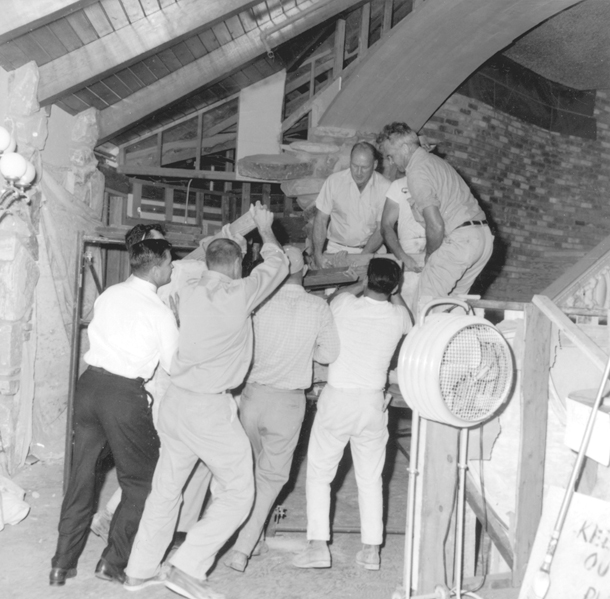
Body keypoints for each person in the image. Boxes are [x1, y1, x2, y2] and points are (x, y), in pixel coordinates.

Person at [124, 202, 289, 598]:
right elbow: (278, 264)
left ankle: (139, 570)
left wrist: (230, 236)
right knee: (238, 492)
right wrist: (265, 229)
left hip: (175, 403)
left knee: (166, 490)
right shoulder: (241, 293)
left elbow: (210, 255)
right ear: (236, 267)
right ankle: (187, 565)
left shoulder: (185, 285)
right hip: (208, 408)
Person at [50, 239, 179, 586]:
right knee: (141, 481)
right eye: (169, 263)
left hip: (89, 386)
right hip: (123, 395)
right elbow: (173, 365)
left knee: (82, 477)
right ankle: (113, 561)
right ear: (155, 268)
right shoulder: (160, 312)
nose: (172, 268)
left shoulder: (109, 295)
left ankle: (61, 564)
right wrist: (179, 326)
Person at [223, 245, 340, 573]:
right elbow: (329, 353)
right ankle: (243, 547)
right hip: (287, 404)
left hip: (251, 398)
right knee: (272, 478)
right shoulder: (317, 307)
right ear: (303, 271)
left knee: (252, 471)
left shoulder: (259, 302)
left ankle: (255, 536)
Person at [293, 258, 411, 571]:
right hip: (373, 403)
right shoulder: (400, 316)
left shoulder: (344, 304)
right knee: (371, 479)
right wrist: (394, 291)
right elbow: (407, 317)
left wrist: (359, 282)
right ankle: (371, 551)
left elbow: (330, 302)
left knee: (320, 474)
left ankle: (318, 546)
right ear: (396, 286)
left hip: (338, 398)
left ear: (368, 278)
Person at [377, 122, 494, 314]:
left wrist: (430, 257)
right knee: (454, 306)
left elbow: (436, 226)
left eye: (391, 155)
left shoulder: (417, 171)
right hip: (482, 239)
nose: (390, 162)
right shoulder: (437, 163)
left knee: (424, 308)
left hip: (461, 242)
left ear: (405, 148)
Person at [312, 142, 391, 269]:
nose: (358, 172)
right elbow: (320, 220)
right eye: (354, 166)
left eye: (364, 167)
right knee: (333, 289)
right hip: (336, 249)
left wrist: (363, 257)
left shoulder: (386, 187)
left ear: (375, 165)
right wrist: (317, 254)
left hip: (371, 251)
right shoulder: (334, 182)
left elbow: (382, 229)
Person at [380, 176, 427, 312]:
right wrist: (402, 256)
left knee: (428, 311)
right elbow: (386, 226)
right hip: (406, 254)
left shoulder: (439, 181)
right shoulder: (398, 185)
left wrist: (431, 252)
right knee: (404, 310)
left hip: (433, 251)